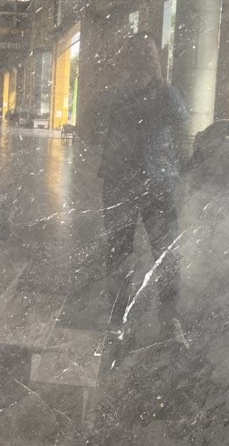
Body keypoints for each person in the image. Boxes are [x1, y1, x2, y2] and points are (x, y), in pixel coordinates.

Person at [97, 31, 187, 341]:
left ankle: (169, 317)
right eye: (140, 55)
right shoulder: (118, 92)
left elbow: (180, 119)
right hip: (121, 181)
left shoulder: (165, 92)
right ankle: (118, 319)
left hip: (157, 181)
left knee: (166, 251)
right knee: (120, 252)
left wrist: (159, 81)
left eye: (151, 55)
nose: (147, 60)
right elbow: (100, 118)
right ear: (128, 59)